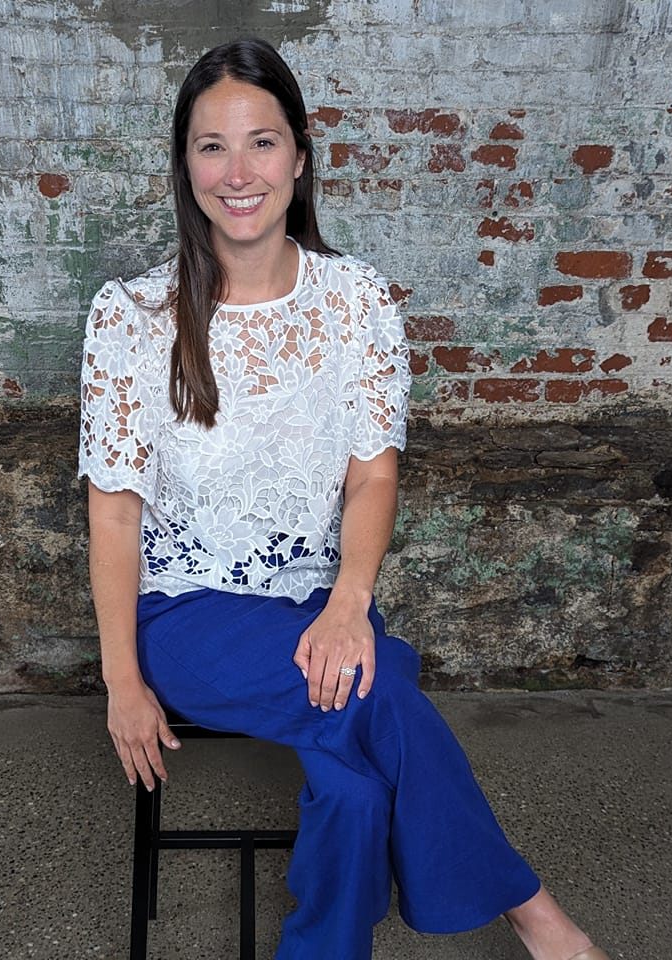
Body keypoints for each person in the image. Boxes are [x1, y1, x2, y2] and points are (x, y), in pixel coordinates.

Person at [78, 36, 611, 960]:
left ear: (299, 156)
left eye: (262, 142)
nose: (238, 173)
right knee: (381, 686)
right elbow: (115, 512)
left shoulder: (355, 301)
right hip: (186, 614)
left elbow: (372, 474)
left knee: (356, 785)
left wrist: (347, 602)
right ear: (184, 166)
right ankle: (538, 918)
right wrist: (122, 681)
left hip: (321, 606)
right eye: (212, 146)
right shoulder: (131, 317)